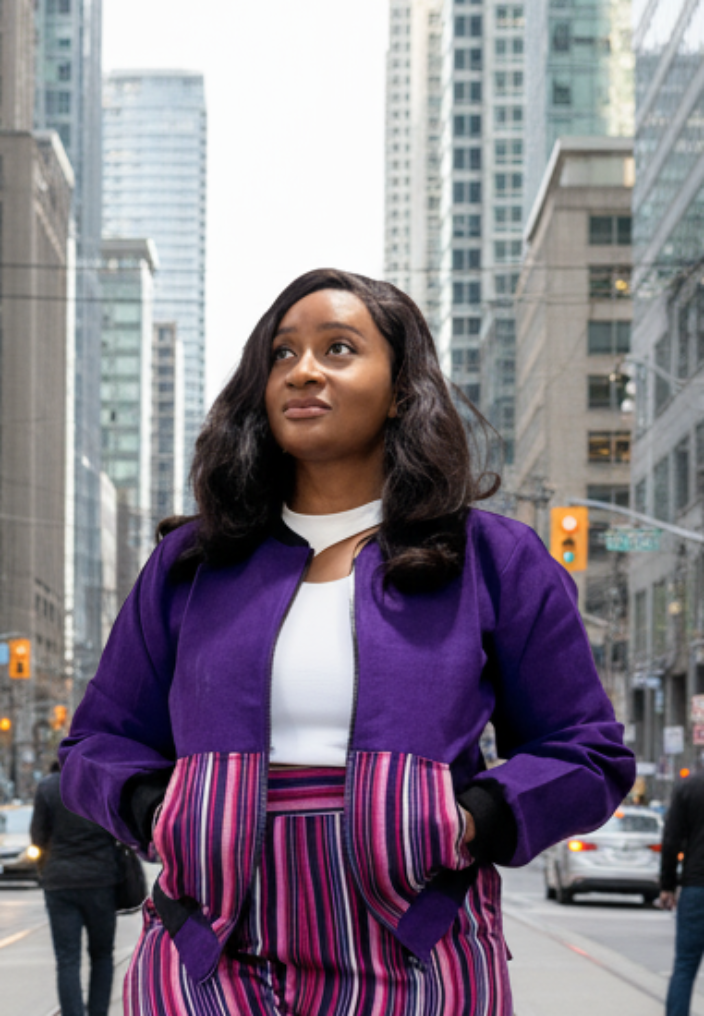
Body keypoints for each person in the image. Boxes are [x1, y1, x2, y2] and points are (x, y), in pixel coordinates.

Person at [59, 269, 635, 1016]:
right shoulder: (190, 565)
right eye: (282, 354)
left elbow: (586, 753)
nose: (302, 370)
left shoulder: (495, 559)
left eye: (338, 349)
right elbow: (96, 745)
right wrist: (157, 812)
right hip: (204, 939)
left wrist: (470, 820)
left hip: (417, 936)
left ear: (400, 389)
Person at [31, 761, 121, 1016]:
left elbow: (38, 837)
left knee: (67, 959)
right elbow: (118, 832)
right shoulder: (100, 785)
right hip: (101, 881)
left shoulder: (48, 788)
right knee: (102, 955)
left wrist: (46, 869)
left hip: (60, 882)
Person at [660, 769, 704, 1016]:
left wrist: (667, 885)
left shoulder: (689, 787)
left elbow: (671, 840)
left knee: (685, 966)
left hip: (696, 886)